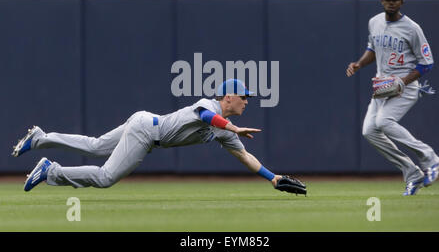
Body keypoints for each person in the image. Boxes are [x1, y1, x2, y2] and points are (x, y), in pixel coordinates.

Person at [13, 79, 288, 192]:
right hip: (146, 132)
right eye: (244, 97)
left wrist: (272, 178)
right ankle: (51, 171)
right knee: (106, 177)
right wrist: (234, 128)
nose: (247, 101)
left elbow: (244, 155)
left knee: (96, 146)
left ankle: (39, 138)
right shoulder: (211, 106)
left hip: (144, 122)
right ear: (228, 97)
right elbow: (206, 118)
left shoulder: (225, 131)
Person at [346, 0, 439, 196]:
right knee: (369, 131)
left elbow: (426, 63)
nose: (390, 2)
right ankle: (412, 173)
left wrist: (403, 82)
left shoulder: (412, 28)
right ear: (381, 0)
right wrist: (360, 64)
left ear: (401, 2)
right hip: (382, 87)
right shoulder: (374, 22)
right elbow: (372, 48)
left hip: (406, 87)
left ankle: (430, 158)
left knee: (383, 122)